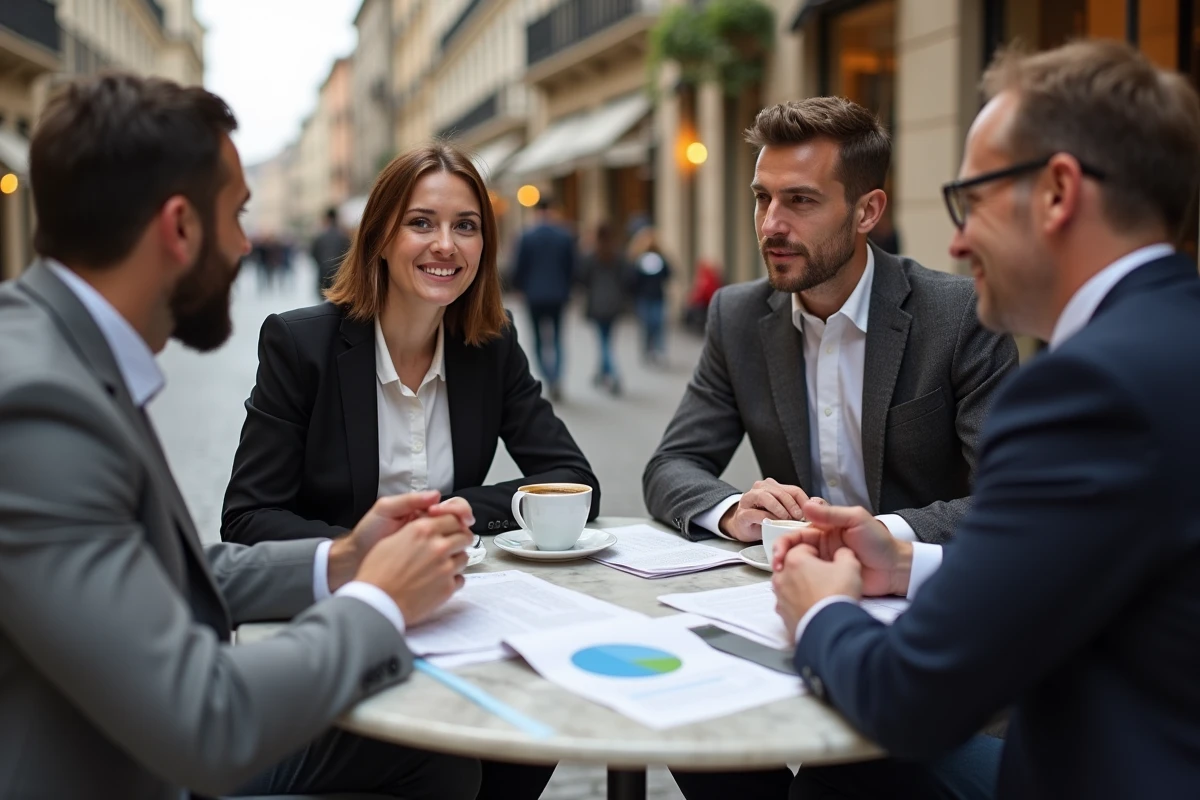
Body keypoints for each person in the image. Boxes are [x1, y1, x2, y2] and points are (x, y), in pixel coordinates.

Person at [0, 73, 482, 799]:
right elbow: (206, 719)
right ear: (180, 227)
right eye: (238, 215)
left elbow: (164, 571)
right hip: (134, 769)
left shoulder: (60, 350)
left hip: (146, 747)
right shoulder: (37, 401)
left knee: (445, 758)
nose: (244, 244)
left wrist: (344, 560)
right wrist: (378, 601)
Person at [772, 40, 1200, 800]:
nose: (959, 240)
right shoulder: (1168, 343)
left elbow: (912, 699)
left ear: (1058, 193)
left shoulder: (1089, 388)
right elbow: (1087, 561)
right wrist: (904, 563)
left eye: (971, 201)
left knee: (851, 776)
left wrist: (820, 613)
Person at [646, 96, 1017, 800]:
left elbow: (1009, 502)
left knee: (845, 777)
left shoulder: (958, 316)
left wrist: (883, 535)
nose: (771, 225)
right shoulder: (736, 315)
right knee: (688, 723)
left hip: (921, 625)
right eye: (762, 199)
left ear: (868, 210)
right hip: (783, 611)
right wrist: (733, 508)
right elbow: (670, 466)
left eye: (800, 201)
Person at [221, 143, 601, 799]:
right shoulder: (302, 345)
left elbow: (574, 480)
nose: (445, 245)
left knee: (534, 718)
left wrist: (455, 514)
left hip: (459, 616)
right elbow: (247, 517)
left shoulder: (491, 343)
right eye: (421, 222)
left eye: (466, 225)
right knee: (445, 763)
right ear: (380, 238)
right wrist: (357, 550)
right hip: (346, 624)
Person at [511, 199, 576, 400]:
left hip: (534, 295)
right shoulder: (564, 235)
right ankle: (556, 377)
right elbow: (572, 267)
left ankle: (548, 376)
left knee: (538, 339)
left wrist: (519, 288)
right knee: (557, 338)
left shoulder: (527, 236)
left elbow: (519, 266)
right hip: (558, 294)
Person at [577, 221, 629, 395]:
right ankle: (602, 373)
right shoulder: (618, 256)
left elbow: (582, 278)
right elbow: (627, 278)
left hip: (598, 304)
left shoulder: (591, 256)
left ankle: (613, 374)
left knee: (603, 341)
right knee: (606, 340)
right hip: (614, 303)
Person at [627, 226, 672, 363]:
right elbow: (632, 279)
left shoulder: (660, 258)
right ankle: (648, 350)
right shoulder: (637, 259)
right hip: (643, 297)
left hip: (657, 296)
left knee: (658, 323)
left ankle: (659, 350)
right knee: (646, 324)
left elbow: (668, 273)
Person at [312, 205, 351, 297]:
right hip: (339, 275)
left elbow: (314, 254)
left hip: (323, 274)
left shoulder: (320, 237)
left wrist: (322, 264)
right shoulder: (344, 237)